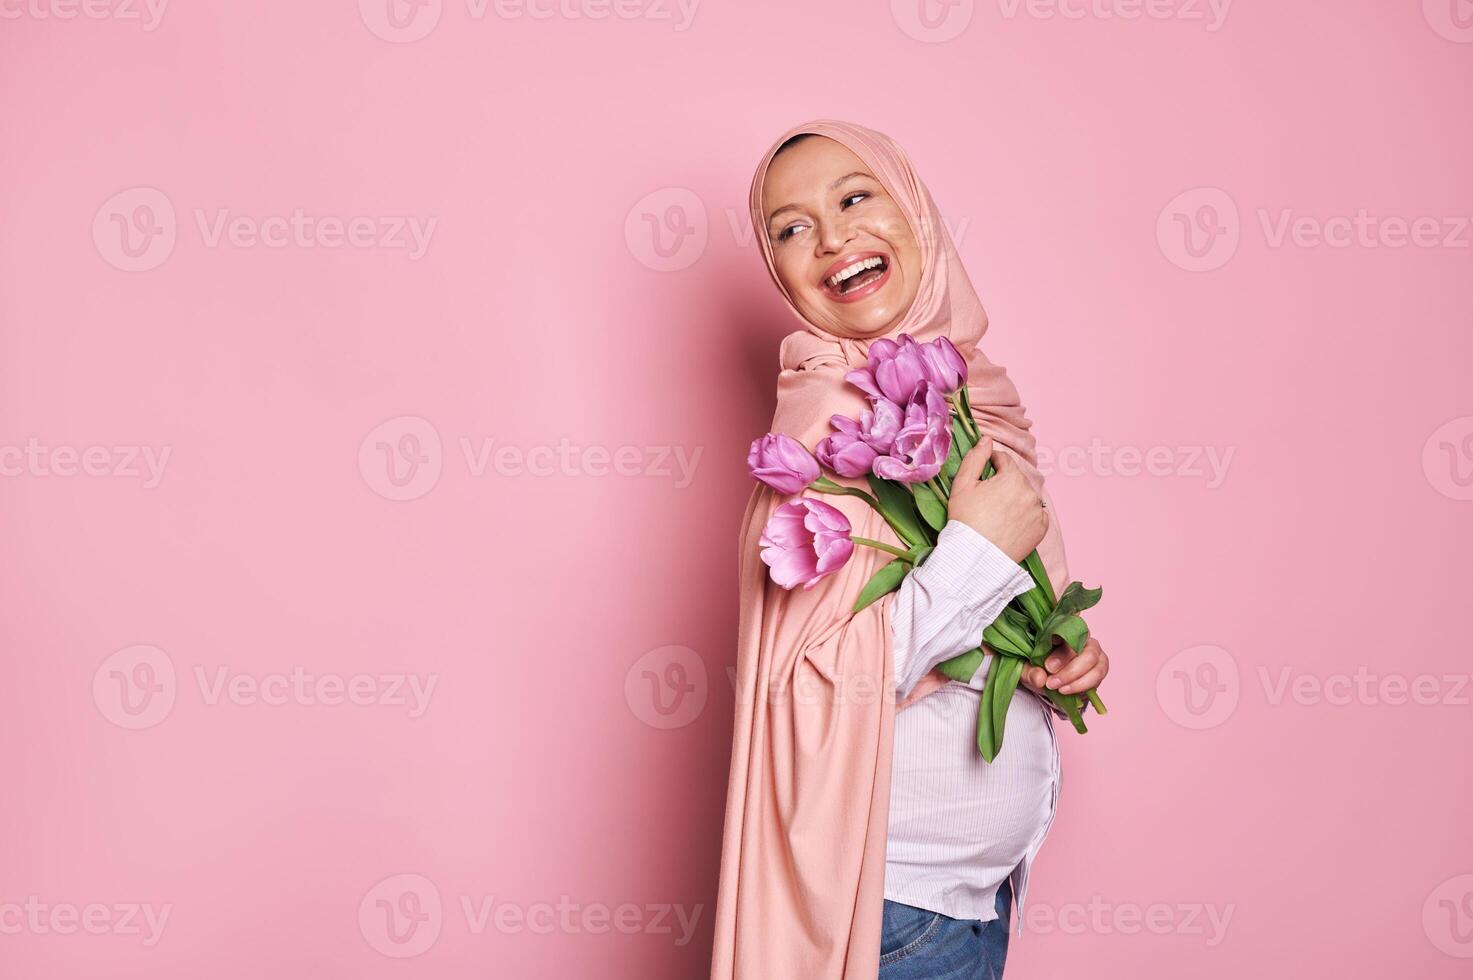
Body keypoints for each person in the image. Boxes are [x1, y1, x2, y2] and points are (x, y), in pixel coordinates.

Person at [710, 120, 1109, 980]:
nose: (832, 237)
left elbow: (969, 617)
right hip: (887, 914)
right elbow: (814, 686)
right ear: (777, 270)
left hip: (972, 903)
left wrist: (1049, 649)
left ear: (916, 213)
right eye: (790, 228)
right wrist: (973, 546)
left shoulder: (974, 396)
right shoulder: (826, 424)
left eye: (855, 197)